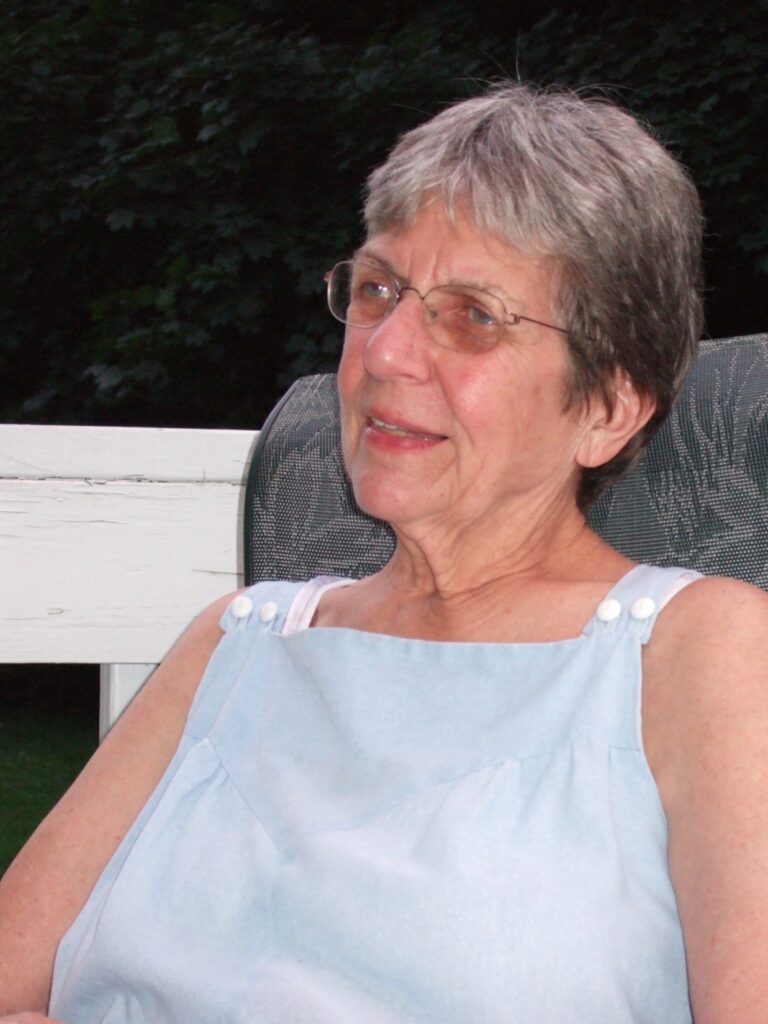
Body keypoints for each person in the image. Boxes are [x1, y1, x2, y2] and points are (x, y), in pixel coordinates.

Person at [1, 82, 766, 1024]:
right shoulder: (239, 643)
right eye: (378, 291)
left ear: (607, 407)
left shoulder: (701, 653)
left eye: (473, 315)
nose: (388, 352)